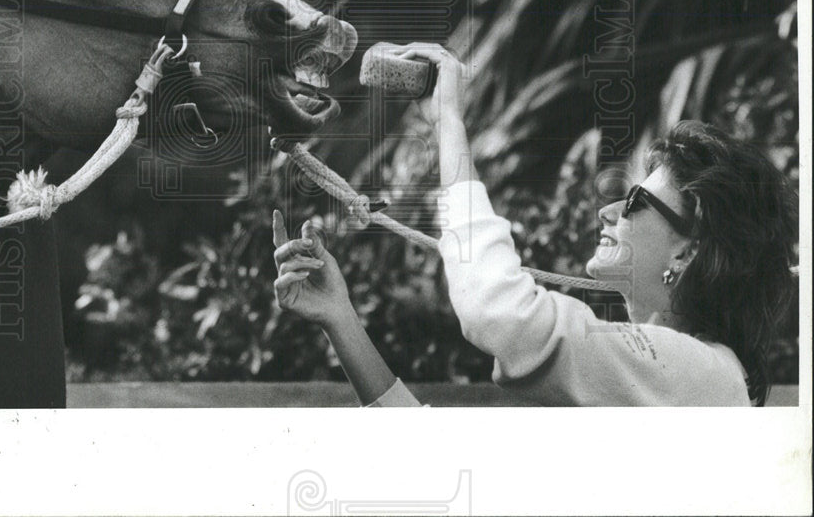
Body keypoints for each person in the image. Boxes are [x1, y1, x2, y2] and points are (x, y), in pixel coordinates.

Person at [271, 43, 798, 407]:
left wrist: (449, 123)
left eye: (636, 200)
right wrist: (340, 319)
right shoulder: (668, 377)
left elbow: (499, 312)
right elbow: (437, 460)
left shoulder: (703, 373)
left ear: (689, 253)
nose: (608, 211)